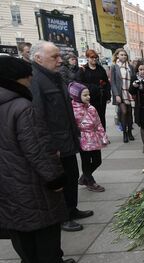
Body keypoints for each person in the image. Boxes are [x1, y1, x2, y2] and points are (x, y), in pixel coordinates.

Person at [0, 55, 76, 263]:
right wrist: (55, 178)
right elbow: (38, 149)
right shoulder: (22, 107)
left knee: (18, 224)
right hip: (29, 178)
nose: (31, 79)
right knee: (44, 220)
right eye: (28, 75)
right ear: (18, 79)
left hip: (5, 179)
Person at [30, 41, 93, 232]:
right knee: (59, 181)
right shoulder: (36, 80)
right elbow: (38, 116)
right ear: (38, 58)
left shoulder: (54, 77)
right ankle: (63, 216)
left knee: (72, 175)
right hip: (54, 143)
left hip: (67, 138)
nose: (60, 61)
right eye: (54, 57)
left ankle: (72, 209)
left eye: (59, 56)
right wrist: (49, 146)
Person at [69, 82, 108, 192]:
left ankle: (84, 177)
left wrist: (103, 136)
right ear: (77, 96)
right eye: (85, 95)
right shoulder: (72, 109)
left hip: (94, 138)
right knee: (85, 161)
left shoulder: (91, 108)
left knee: (97, 160)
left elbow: (98, 123)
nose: (88, 97)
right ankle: (90, 181)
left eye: (88, 94)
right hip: (82, 140)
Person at [79, 49, 111, 129]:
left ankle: (103, 135)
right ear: (87, 58)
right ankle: (94, 137)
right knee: (91, 118)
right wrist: (92, 87)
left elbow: (106, 82)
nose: (94, 59)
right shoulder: (83, 70)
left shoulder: (100, 69)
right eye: (92, 57)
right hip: (89, 98)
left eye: (95, 57)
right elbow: (79, 83)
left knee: (101, 117)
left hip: (101, 98)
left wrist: (108, 96)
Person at [110, 48, 136, 143]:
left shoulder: (130, 66)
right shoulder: (114, 67)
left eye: (125, 55)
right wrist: (116, 94)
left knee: (129, 113)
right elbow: (112, 83)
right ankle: (124, 133)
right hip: (120, 93)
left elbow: (133, 79)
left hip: (129, 93)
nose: (123, 56)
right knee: (124, 112)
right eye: (121, 55)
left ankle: (130, 132)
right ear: (117, 56)